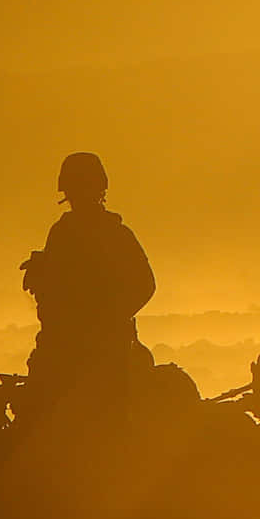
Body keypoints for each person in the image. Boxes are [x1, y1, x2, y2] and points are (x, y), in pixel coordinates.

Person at [20, 152, 156, 420]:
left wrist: (107, 319)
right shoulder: (62, 234)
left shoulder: (115, 235)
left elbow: (145, 285)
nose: (77, 197)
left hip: (104, 355)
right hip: (62, 351)